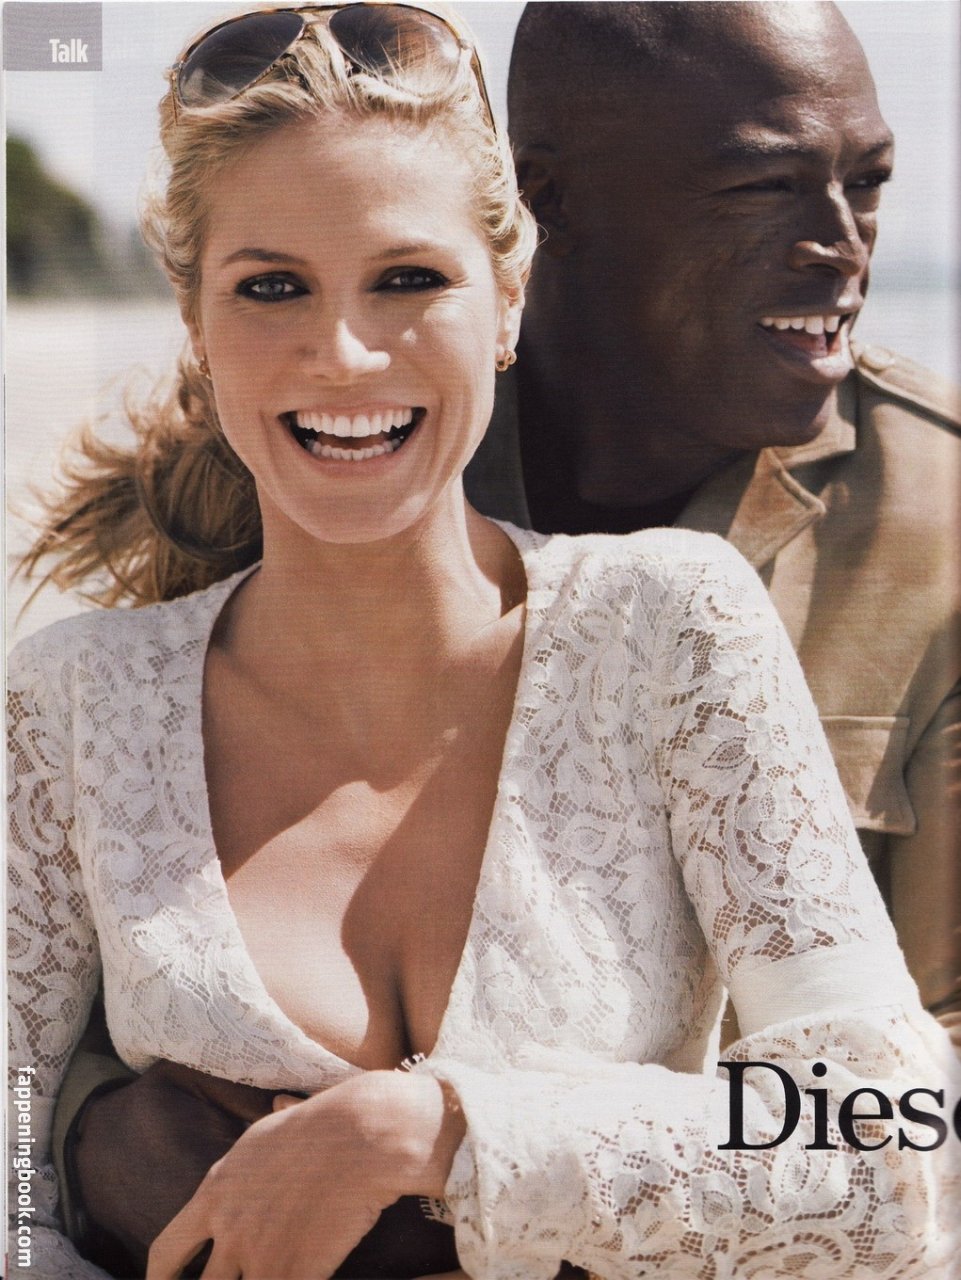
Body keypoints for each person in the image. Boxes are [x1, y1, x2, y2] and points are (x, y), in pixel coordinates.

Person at [7, 5, 958, 1280]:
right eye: (272, 287)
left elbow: (892, 1147)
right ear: (195, 317)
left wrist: (437, 1133)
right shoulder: (75, 700)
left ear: (509, 299)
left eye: (409, 279)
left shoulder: (671, 623)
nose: (344, 353)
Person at [466, 0, 961, 1038]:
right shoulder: (354, 457)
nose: (843, 247)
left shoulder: (942, 516)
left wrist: (519, 1132)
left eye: (866, 182)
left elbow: (939, 1059)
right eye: (766, 186)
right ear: (545, 199)